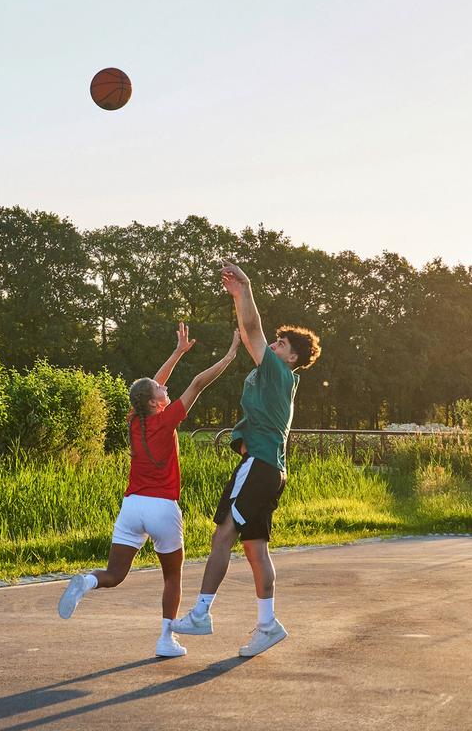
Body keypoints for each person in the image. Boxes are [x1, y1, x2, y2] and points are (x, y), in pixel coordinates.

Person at [58, 322, 241, 658]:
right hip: (162, 509)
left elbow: (153, 385)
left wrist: (178, 352)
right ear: (155, 402)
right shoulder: (166, 418)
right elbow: (198, 383)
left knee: (114, 574)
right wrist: (231, 354)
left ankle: (88, 582)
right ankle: (165, 639)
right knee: (172, 577)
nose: (165, 389)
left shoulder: (135, 420)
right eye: (161, 391)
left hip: (132, 508)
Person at [171, 259, 321, 657]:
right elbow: (250, 333)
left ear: (290, 358)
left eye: (281, 345)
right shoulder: (274, 376)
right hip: (269, 468)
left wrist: (244, 289)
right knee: (255, 549)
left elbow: (252, 329)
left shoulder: (279, 374)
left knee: (222, 533)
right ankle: (268, 625)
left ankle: (202, 613)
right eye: (276, 343)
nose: (273, 345)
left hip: (260, 466)